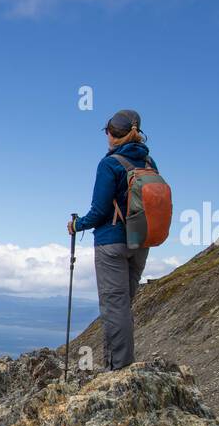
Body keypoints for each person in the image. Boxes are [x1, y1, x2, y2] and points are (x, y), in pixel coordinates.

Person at [67, 109, 156, 370]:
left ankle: (118, 369)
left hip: (111, 243)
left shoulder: (110, 164)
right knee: (123, 305)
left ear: (111, 134)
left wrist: (76, 225)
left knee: (114, 307)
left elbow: (99, 211)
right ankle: (118, 364)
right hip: (141, 241)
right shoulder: (149, 163)